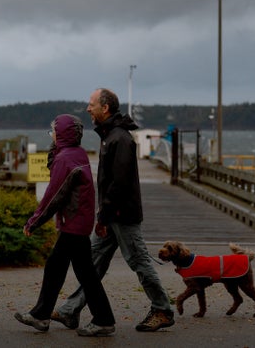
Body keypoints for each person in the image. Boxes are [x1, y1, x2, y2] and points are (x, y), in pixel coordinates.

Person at [51, 88, 175, 332]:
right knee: (93, 262)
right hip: (111, 214)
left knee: (138, 261)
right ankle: (70, 311)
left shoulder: (120, 138)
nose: (88, 109)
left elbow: (119, 184)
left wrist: (104, 215)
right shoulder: (111, 135)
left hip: (122, 215)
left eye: (91, 104)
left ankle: (162, 309)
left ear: (105, 108)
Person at [15, 114, 116, 337]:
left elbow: (54, 196)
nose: (51, 135)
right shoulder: (77, 153)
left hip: (73, 222)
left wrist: (34, 221)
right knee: (62, 268)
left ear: (62, 134)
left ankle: (104, 320)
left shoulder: (65, 159)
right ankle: (42, 316)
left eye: (53, 131)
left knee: (78, 272)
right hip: (79, 220)